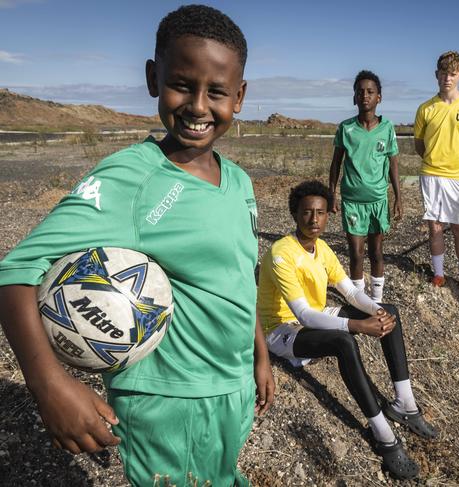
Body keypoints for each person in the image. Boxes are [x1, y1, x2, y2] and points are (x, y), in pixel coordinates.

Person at [0, 5, 274, 486]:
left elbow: (240, 276)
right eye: (183, 85)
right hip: (170, 398)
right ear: (154, 77)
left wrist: (259, 355)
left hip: (231, 388)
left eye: (218, 92)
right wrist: (49, 384)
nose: (198, 106)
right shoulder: (133, 179)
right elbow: (15, 270)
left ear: (241, 95)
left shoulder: (239, 182)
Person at [257, 180, 438, 480]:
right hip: (282, 329)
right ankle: (383, 435)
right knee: (343, 341)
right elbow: (302, 313)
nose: (314, 220)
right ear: (294, 214)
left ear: (329, 215)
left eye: (321, 213)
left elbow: (351, 293)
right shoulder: (281, 253)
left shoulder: (322, 248)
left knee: (389, 311)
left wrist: (375, 313)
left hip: (314, 315)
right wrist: (357, 325)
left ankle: (404, 404)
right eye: (306, 213)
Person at [414, 51, 459, 304]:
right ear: (436, 75)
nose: (447, 78)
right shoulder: (426, 108)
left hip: (458, 178)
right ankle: (439, 274)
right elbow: (419, 144)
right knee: (435, 227)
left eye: (453, 73)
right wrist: (434, 162)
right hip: (431, 175)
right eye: (443, 73)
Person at [328, 70, 402, 302]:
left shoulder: (387, 128)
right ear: (354, 98)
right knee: (356, 254)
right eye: (360, 92)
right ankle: (360, 302)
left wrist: (398, 197)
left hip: (378, 201)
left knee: (377, 253)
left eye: (370, 92)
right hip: (352, 202)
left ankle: (377, 301)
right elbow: (335, 164)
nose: (365, 96)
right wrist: (332, 194)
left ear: (379, 97)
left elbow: (393, 165)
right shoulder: (346, 128)